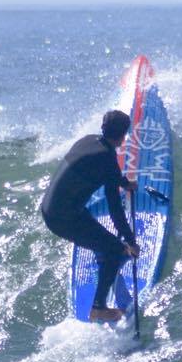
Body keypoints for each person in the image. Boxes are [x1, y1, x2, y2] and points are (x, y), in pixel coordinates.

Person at [41, 109, 140, 323]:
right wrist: (131, 241)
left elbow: (107, 173)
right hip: (64, 219)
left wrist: (123, 183)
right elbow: (115, 209)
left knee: (105, 242)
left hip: (53, 208)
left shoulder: (88, 141)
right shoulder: (106, 158)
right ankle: (98, 308)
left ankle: (104, 254)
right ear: (124, 135)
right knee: (115, 249)